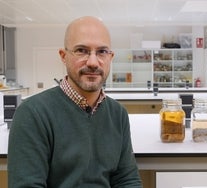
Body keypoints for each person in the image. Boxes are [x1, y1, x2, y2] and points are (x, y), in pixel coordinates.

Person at [8, 16, 143, 188]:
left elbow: (127, 180)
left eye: (102, 51)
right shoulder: (32, 114)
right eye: (82, 50)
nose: (93, 62)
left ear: (111, 57)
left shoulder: (118, 114)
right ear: (63, 56)